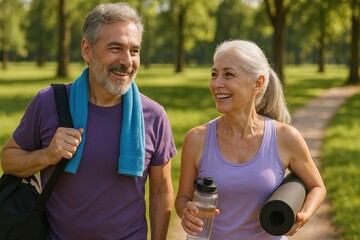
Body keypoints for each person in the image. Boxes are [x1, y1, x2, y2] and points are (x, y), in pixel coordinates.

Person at [0, 2, 176, 240]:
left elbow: (161, 190)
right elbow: (8, 160)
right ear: (87, 50)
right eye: (116, 48)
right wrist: (46, 155)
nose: (127, 61)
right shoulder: (49, 102)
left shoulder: (154, 116)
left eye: (135, 51)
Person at [175, 40, 326, 239]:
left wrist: (303, 216)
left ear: (258, 83)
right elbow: (183, 198)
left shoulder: (285, 138)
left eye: (228, 74)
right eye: (214, 74)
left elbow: (317, 186)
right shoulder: (196, 139)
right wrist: (186, 212)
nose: (217, 83)